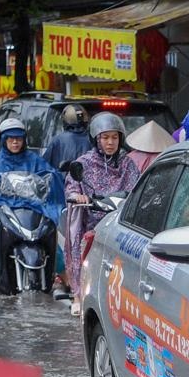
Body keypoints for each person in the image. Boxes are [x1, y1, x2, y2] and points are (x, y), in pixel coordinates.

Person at [0, 115, 64, 291]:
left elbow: (49, 174)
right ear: (3, 140)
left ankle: (72, 287)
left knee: (54, 248)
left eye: (18, 139)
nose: (15, 143)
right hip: (7, 213)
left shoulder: (34, 159)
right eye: (11, 139)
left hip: (34, 212)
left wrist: (55, 177)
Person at [61, 112, 139, 298]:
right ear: (96, 139)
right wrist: (77, 196)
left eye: (114, 137)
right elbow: (71, 186)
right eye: (105, 138)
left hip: (121, 224)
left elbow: (137, 187)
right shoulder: (83, 163)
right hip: (92, 224)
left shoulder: (128, 164)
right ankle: (81, 296)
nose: (110, 142)